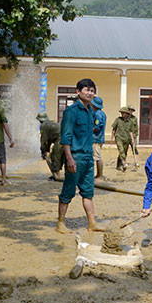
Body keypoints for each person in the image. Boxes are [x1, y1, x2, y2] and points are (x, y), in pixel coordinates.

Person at [56, 78, 104, 234]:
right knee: (68, 191)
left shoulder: (91, 110)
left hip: (88, 158)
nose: (90, 93)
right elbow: (66, 137)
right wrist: (69, 158)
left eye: (92, 90)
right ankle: (61, 223)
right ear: (78, 92)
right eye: (87, 90)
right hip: (75, 158)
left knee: (88, 192)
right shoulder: (71, 112)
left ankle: (92, 222)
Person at [36, 112, 63, 181]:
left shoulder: (44, 126)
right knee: (58, 156)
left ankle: (57, 175)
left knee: (55, 155)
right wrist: (46, 150)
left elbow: (43, 140)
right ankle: (57, 174)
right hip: (63, 138)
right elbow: (49, 139)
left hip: (60, 139)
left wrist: (43, 151)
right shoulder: (50, 123)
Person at [111, 106, 135, 171]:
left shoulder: (130, 122)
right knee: (121, 151)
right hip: (118, 137)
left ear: (127, 114)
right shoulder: (118, 120)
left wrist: (132, 140)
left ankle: (118, 165)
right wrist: (112, 138)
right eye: (121, 113)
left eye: (124, 113)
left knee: (124, 152)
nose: (122, 114)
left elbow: (131, 131)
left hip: (126, 139)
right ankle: (124, 164)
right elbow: (114, 129)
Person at [91, 97, 106, 181]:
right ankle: (98, 175)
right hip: (98, 138)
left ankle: (100, 176)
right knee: (96, 156)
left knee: (97, 157)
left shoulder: (97, 114)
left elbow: (97, 127)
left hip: (96, 138)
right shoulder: (100, 113)